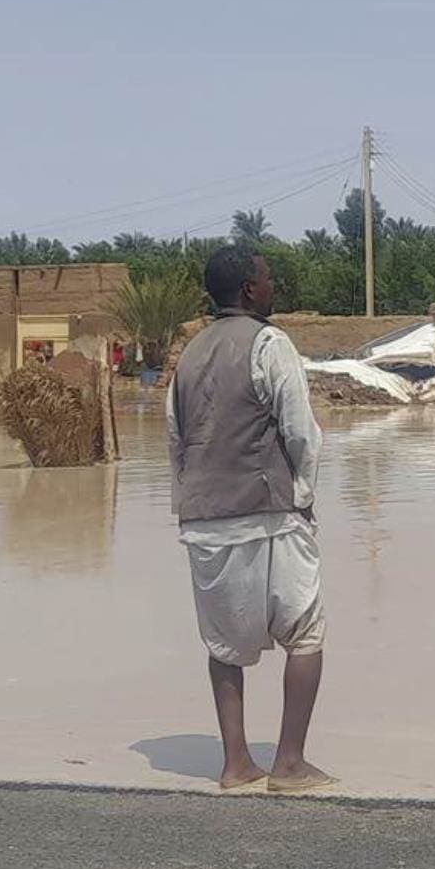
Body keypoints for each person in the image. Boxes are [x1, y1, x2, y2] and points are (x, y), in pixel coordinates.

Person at [166, 244, 333, 793]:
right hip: (271, 515)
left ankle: (236, 763)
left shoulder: (188, 357)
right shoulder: (270, 343)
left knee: (223, 646)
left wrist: (188, 506)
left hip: (205, 520)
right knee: (305, 633)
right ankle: (289, 763)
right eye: (267, 278)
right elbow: (301, 432)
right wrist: (304, 496)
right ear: (248, 291)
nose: (272, 287)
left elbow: (176, 440)